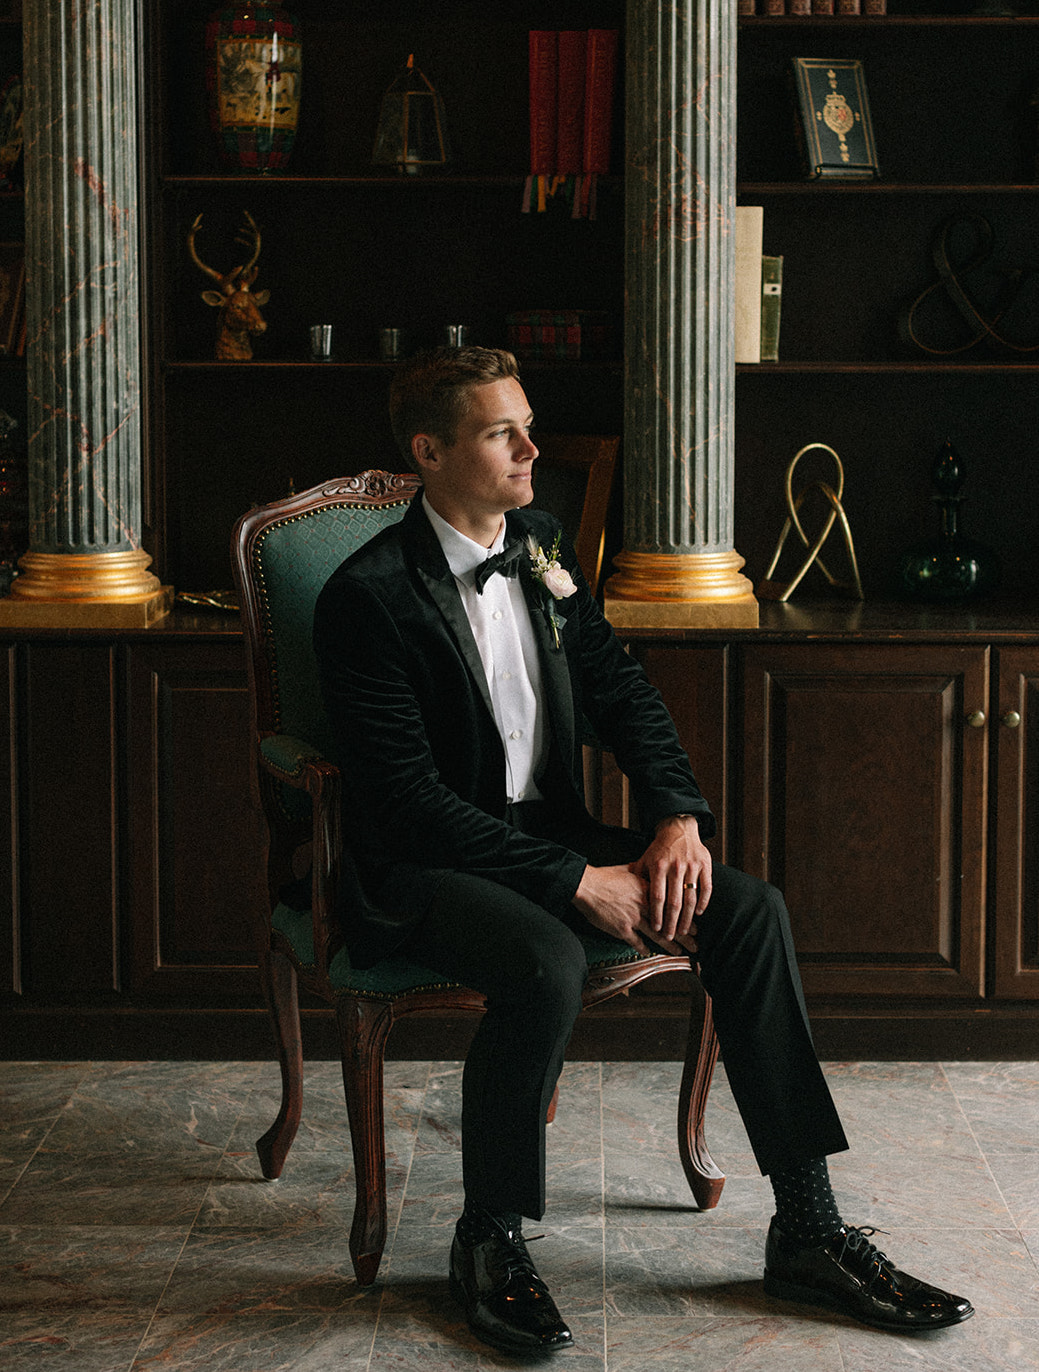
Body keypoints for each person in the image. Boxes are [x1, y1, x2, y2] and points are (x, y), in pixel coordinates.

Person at [313, 346, 974, 1354]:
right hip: (422, 865)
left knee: (749, 909)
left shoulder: (536, 543)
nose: (534, 447)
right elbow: (405, 804)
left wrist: (674, 819)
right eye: (503, 432)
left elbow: (618, 687)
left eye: (527, 423)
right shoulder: (367, 596)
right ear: (429, 451)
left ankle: (807, 1227)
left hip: (548, 833)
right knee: (546, 961)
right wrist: (576, 880)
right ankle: (486, 1239)